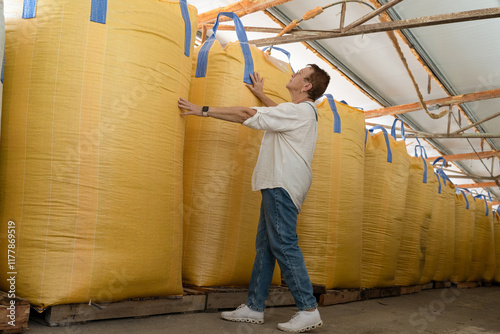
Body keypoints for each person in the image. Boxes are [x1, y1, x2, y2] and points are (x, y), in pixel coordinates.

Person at [178, 64, 330, 333]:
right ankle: (255, 307)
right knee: (266, 247)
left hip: (280, 183)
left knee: (284, 244)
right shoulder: (301, 112)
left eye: (299, 74)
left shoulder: (298, 111)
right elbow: (276, 114)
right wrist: (262, 95)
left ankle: (308, 309)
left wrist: (202, 109)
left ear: (307, 86)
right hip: (279, 183)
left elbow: (246, 115)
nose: (292, 74)